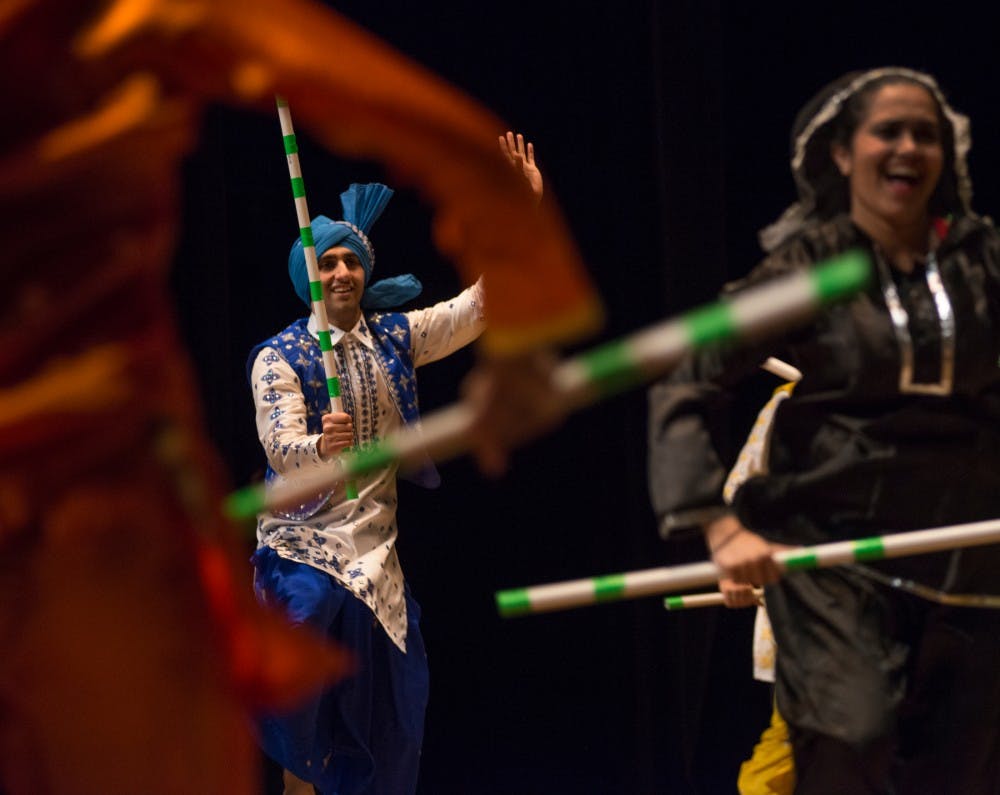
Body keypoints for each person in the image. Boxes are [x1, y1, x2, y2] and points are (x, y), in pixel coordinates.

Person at [648, 67, 1000, 794]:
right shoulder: (811, 273)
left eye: (925, 134)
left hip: (963, 575)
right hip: (840, 577)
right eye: (887, 131)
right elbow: (689, 371)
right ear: (842, 154)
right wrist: (720, 529)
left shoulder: (981, 269)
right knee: (848, 742)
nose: (908, 147)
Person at [249, 137, 543, 795]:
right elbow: (280, 448)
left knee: (388, 740)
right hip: (302, 558)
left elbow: (478, 306)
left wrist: (517, 214)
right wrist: (319, 447)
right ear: (310, 276)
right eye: (328, 262)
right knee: (305, 734)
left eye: (353, 260)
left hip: (376, 562)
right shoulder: (279, 356)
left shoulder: (395, 337)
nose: (343, 271)